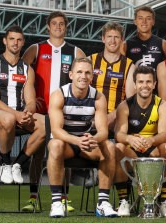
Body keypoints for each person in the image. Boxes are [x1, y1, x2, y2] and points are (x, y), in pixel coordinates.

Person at [21, 11, 86, 212]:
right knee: (38, 155)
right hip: (41, 112)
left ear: (66, 27)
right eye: (54, 24)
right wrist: (30, 100)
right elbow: (22, 75)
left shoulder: (76, 52)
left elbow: (84, 79)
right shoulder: (36, 49)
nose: (58, 27)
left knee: (62, 155)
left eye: (62, 24)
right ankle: (33, 198)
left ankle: (64, 198)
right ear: (48, 27)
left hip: (65, 113)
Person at [47, 57, 117, 218]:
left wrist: (93, 140)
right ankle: (57, 202)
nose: (83, 76)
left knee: (110, 147)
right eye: (79, 72)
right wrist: (77, 140)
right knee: (55, 145)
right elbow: (56, 131)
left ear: (92, 77)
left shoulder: (98, 97)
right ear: (71, 74)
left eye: (87, 73)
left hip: (87, 143)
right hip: (66, 143)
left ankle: (103, 203)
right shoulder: (59, 94)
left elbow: (103, 132)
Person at [0, 25, 45, 185]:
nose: (15, 43)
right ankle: (4, 162)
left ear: (23, 42)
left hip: (18, 113)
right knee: (8, 118)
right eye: (11, 39)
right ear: (5, 41)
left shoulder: (27, 69)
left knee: (46, 124)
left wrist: (27, 113)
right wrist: (16, 115)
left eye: (19, 40)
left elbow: (31, 101)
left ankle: (17, 164)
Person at [114, 66, 166, 217]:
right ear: (134, 84)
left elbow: (165, 134)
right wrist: (130, 139)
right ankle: (123, 201)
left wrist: (151, 140)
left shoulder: (162, 105)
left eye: (148, 82)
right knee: (118, 147)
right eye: (140, 82)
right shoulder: (125, 106)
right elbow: (118, 134)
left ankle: (163, 201)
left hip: (152, 149)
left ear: (154, 84)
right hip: (132, 149)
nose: (145, 85)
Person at [89, 21, 135, 132]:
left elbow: (131, 100)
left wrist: (112, 116)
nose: (112, 41)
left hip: (116, 117)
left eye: (116, 37)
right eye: (109, 36)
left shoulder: (129, 65)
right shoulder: (90, 60)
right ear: (103, 39)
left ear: (122, 40)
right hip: (91, 116)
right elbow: (81, 91)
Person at [121, 6, 166, 70]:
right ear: (135, 21)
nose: (144, 22)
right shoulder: (125, 45)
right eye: (140, 18)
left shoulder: (163, 44)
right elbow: (121, 70)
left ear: (153, 22)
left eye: (148, 18)